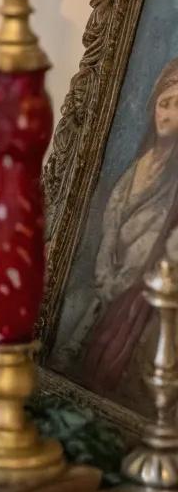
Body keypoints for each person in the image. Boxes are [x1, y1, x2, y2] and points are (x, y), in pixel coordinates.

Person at [64, 57, 178, 401]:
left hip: (145, 293)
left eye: (177, 106)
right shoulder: (138, 165)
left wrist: (128, 279)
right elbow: (110, 224)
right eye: (164, 103)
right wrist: (105, 275)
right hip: (108, 283)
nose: (167, 113)